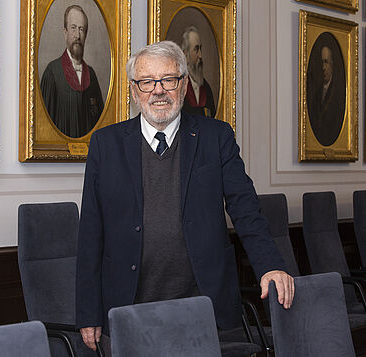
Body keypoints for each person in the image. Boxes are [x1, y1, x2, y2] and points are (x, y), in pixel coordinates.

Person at [76, 41, 294, 352]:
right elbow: (90, 234)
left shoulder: (216, 137)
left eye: (168, 79)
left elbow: (246, 209)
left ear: (184, 84)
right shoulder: (105, 144)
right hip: (128, 306)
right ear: (134, 91)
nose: (158, 90)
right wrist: (88, 311)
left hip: (202, 305)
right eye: (147, 81)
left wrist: (271, 265)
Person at [40, 5, 104, 138]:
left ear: (86, 34)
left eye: (82, 29)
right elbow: (43, 128)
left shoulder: (91, 75)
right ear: (65, 32)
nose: (77, 35)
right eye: (73, 28)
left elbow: (100, 125)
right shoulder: (52, 72)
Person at [307, 45, 346, 146]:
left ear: (332, 64)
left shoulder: (339, 94)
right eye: (321, 62)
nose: (323, 67)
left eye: (326, 62)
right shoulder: (316, 94)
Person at [180, 26, 216, 118]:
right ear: (185, 55)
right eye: (196, 49)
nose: (200, 55)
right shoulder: (178, 87)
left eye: (200, 49)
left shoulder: (206, 88)